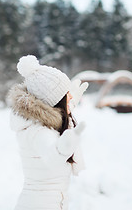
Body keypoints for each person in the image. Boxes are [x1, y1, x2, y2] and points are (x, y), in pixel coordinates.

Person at [7, 55, 88, 210]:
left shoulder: (45, 123)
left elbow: (59, 114)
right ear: (55, 102)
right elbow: (53, 155)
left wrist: (71, 102)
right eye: (67, 95)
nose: (70, 97)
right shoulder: (39, 132)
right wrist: (65, 145)